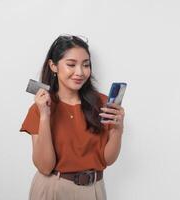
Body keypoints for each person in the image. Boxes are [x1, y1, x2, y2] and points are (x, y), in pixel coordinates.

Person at [19, 34, 125, 200]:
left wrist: (118, 129)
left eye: (86, 65)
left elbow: (108, 160)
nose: (80, 72)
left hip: (94, 190)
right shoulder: (39, 109)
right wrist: (45, 116)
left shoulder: (103, 103)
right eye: (71, 64)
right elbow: (45, 167)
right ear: (53, 66)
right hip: (53, 189)